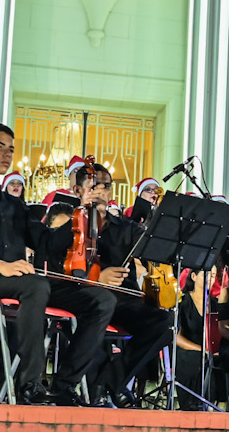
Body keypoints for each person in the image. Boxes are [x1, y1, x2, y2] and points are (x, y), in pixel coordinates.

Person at [0, 123, 107, 406]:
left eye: (11, 149)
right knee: (35, 286)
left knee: (100, 299)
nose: (7, 154)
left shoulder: (14, 204)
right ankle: (30, 383)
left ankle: (64, 385)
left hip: (17, 281)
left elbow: (48, 243)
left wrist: (82, 211)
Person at [39, 160, 173, 406]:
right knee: (101, 307)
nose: (101, 190)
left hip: (121, 299)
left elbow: (157, 252)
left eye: (106, 186)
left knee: (163, 320)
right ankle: (67, 386)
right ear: (78, 191)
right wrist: (95, 278)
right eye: (94, 186)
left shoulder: (128, 229)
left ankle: (109, 382)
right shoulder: (66, 229)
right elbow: (53, 268)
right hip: (81, 299)